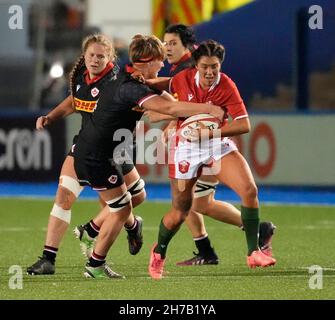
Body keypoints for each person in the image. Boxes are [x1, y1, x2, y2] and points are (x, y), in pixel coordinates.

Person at [70, 34, 225, 278]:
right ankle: (95, 264)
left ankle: (93, 238)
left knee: (135, 196)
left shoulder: (126, 76)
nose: (162, 64)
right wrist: (208, 108)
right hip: (97, 156)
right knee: (121, 210)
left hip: (103, 152)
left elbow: (166, 96)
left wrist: (179, 87)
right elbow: (170, 108)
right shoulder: (131, 88)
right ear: (149, 61)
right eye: (159, 61)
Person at [148, 40, 276, 280]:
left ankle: (254, 252)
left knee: (249, 190)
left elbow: (244, 124)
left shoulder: (226, 85)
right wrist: (140, 85)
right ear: (196, 66)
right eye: (205, 66)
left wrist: (210, 133)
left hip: (216, 143)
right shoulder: (181, 79)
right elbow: (164, 85)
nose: (210, 72)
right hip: (185, 147)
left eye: (215, 67)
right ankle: (159, 252)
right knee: (181, 211)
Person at [27, 34, 144, 276]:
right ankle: (48, 258)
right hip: (85, 147)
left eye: (101, 56)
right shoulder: (82, 76)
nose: (95, 59)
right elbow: (73, 102)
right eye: (91, 55)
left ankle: (124, 226)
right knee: (64, 197)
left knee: (136, 197)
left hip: (115, 150)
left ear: (111, 57)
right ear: (85, 55)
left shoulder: (116, 82)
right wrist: (51, 116)